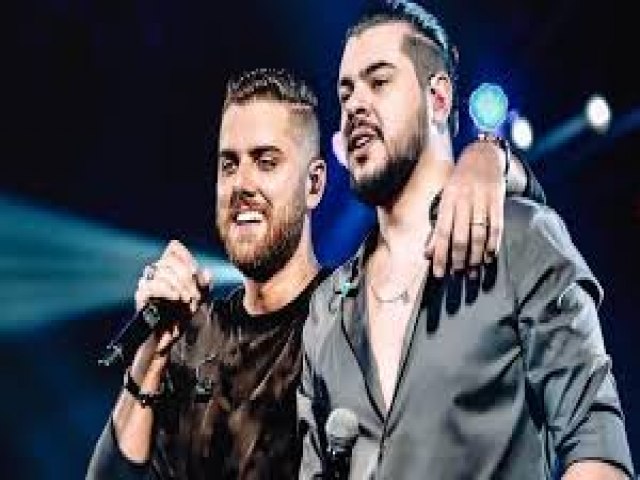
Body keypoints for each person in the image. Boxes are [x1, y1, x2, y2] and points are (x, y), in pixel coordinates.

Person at [87, 65, 542, 479]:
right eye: (229, 164)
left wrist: (493, 160)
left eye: (266, 162)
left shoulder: (352, 319)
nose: (242, 184)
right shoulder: (189, 339)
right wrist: (150, 357)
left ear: (315, 184)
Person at [298, 3, 634, 479]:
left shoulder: (521, 238)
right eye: (346, 92)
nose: (354, 105)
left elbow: (597, 451)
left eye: (379, 82)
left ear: (438, 98)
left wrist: (493, 155)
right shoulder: (326, 309)